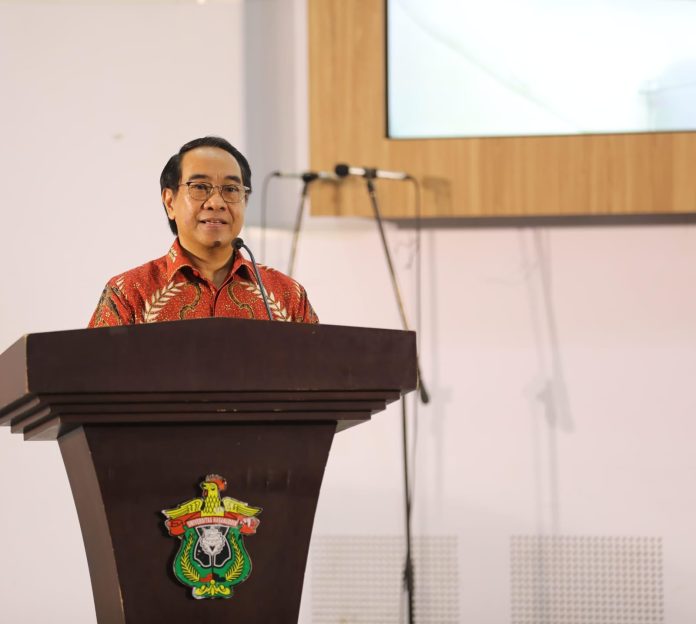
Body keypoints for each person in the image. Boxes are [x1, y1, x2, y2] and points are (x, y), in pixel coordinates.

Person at [88, 136, 318, 327]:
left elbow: (319, 375)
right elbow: (96, 377)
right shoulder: (129, 293)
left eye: (230, 189)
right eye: (199, 187)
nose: (216, 202)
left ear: (244, 201)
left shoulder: (287, 295)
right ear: (170, 202)